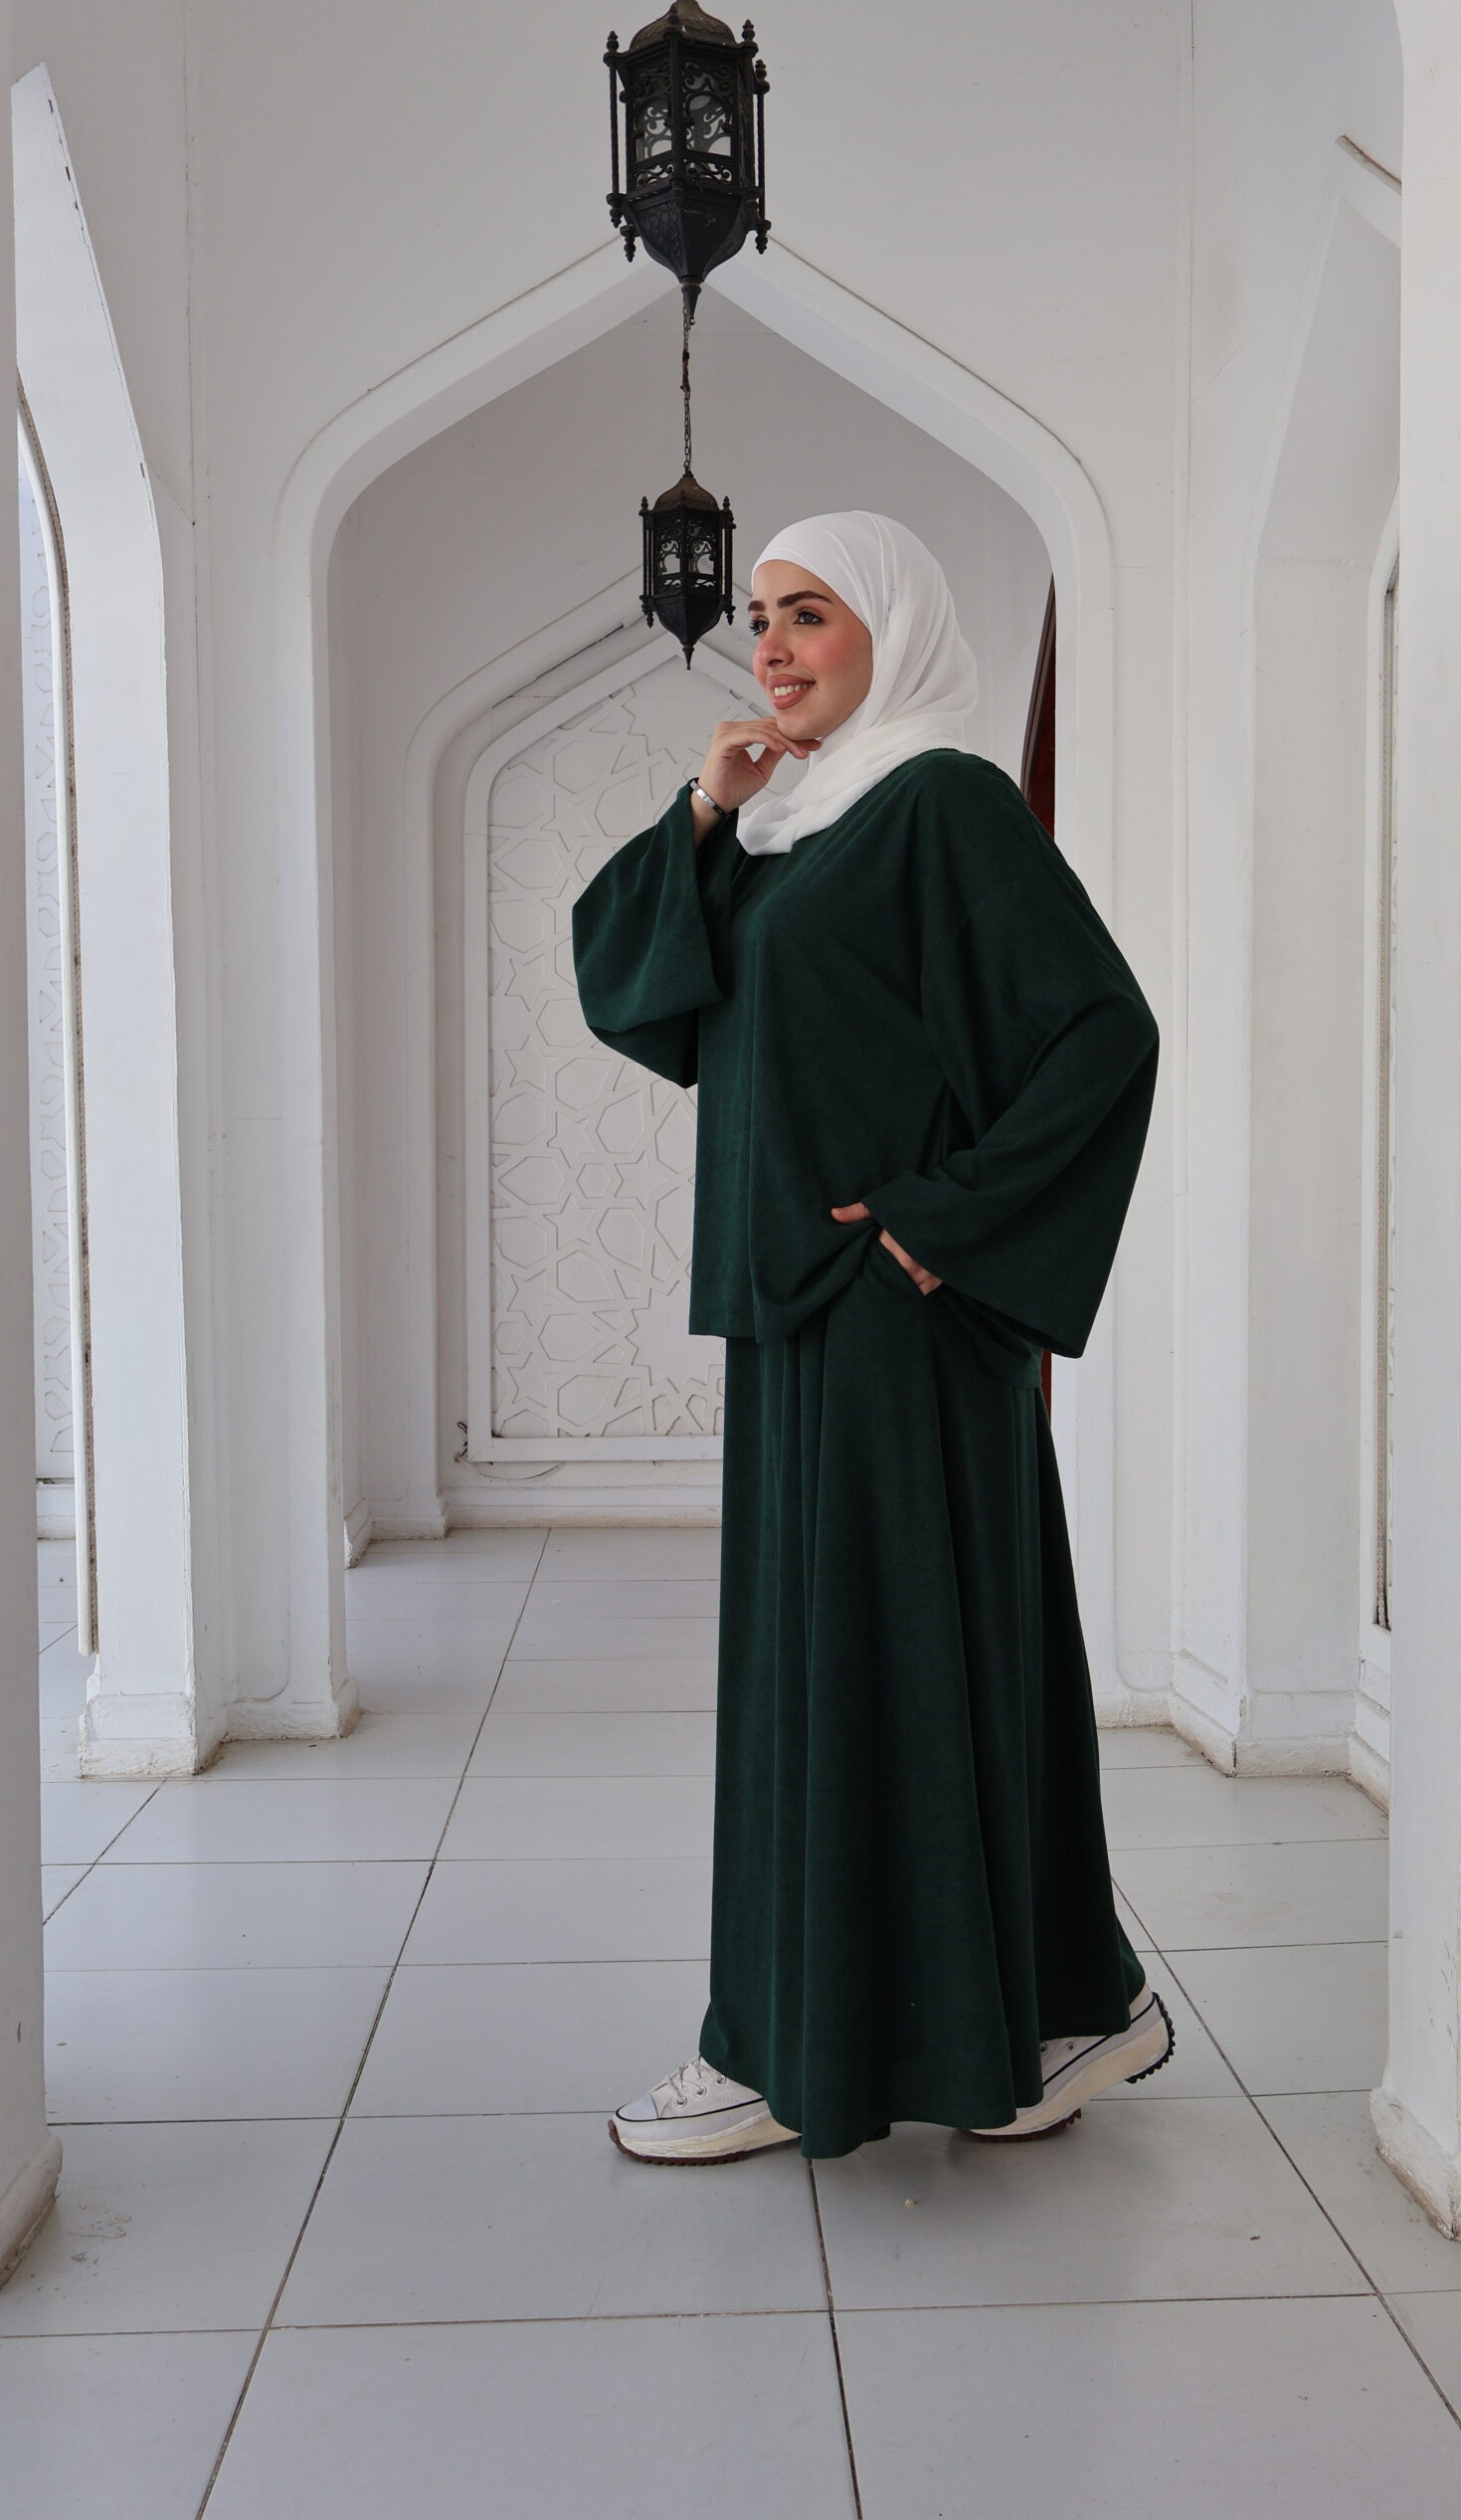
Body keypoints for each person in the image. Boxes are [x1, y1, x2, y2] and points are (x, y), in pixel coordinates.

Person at [570, 509, 1169, 2165]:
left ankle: (816, 2053)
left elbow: (1103, 1034)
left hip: (893, 1322)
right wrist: (710, 805)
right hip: (801, 1318)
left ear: (890, 628)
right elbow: (632, 984)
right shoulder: (796, 822)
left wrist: (940, 1221)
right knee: (853, 1673)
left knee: (887, 1668)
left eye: (810, 613)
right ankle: (1027, 2019)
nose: (770, 646)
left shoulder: (944, 801)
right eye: (762, 615)